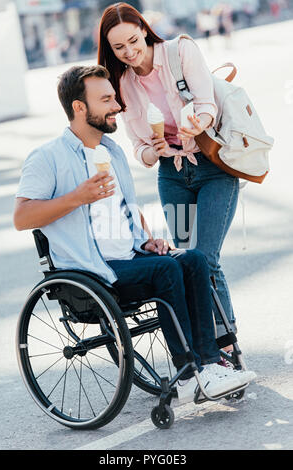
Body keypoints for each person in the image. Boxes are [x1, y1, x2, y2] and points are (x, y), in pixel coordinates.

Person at [13, 65, 256, 403]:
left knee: (194, 259)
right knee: (167, 269)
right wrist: (77, 197)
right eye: (106, 99)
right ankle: (189, 373)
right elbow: (22, 217)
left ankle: (211, 363)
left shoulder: (111, 152)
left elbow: (127, 207)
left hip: (130, 256)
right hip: (90, 269)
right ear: (79, 108)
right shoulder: (47, 157)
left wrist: (146, 238)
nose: (117, 106)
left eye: (114, 97)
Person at [97, 2, 239, 353]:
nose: (129, 52)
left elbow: (208, 105)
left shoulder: (180, 51)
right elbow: (138, 149)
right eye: (119, 47)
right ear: (111, 50)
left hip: (211, 166)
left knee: (206, 258)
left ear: (143, 29)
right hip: (171, 176)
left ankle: (222, 345)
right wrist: (155, 150)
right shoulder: (124, 84)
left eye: (133, 40)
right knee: (191, 262)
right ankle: (213, 346)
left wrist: (197, 122)